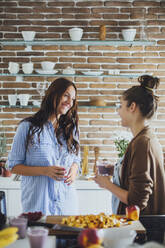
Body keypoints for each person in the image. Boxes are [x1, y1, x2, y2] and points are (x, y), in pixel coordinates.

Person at [7, 77, 81, 216]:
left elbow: (77, 159)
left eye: (73, 99)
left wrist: (74, 170)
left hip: (67, 204)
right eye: (66, 95)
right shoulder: (27, 127)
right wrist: (45, 171)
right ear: (53, 94)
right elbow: (13, 166)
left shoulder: (71, 129)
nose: (70, 102)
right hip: (38, 206)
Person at [94, 75, 165, 215]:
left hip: (142, 229)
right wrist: (115, 170)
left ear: (132, 107)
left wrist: (106, 184)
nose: (118, 112)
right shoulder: (144, 138)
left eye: (120, 106)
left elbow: (137, 201)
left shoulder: (142, 143)